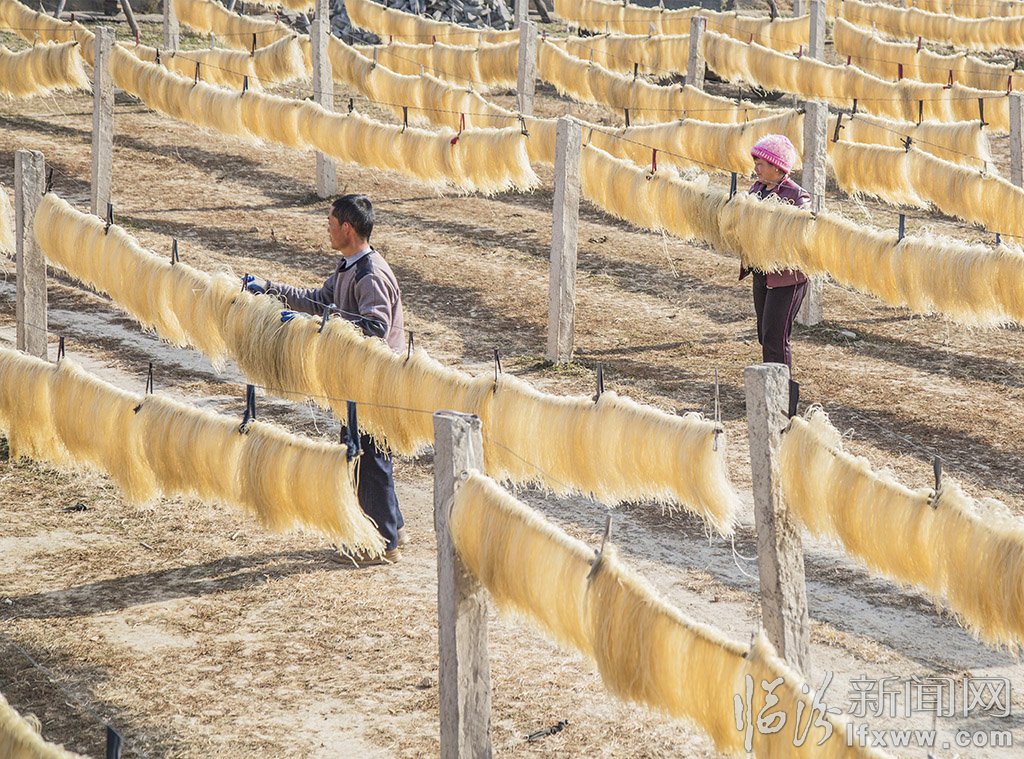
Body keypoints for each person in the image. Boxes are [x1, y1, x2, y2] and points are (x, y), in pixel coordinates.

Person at [243, 194, 406, 567]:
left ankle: (383, 544)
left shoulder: (369, 274)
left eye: (330, 224)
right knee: (365, 453)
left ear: (347, 228)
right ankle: (394, 527)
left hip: (374, 381)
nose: (327, 230)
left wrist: (322, 325)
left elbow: (374, 328)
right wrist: (269, 288)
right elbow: (318, 300)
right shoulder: (349, 266)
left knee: (369, 458)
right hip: (356, 378)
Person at [739, 134, 811, 369]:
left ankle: (780, 389)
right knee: (764, 333)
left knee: (775, 338)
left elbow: (799, 232)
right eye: (756, 163)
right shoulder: (756, 189)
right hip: (761, 271)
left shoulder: (797, 196)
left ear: (777, 167)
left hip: (787, 278)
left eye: (761, 163)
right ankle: (768, 382)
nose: (756, 168)